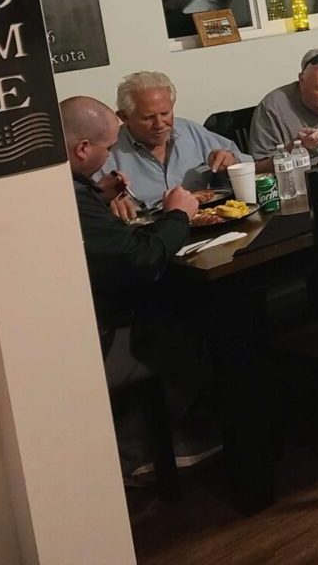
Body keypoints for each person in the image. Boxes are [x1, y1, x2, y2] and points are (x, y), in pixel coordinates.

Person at [63, 96, 209, 476]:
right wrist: (178, 212)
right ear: (82, 149)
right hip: (98, 337)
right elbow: (142, 261)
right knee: (199, 329)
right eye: (108, 148)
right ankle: (137, 454)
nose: (111, 154)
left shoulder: (69, 187)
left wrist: (102, 194)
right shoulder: (69, 199)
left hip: (99, 314)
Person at [102, 70, 252, 209]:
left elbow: (249, 164)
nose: (159, 124)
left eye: (165, 113)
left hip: (208, 219)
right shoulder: (109, 152)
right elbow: (90, 202)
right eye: (148, 118)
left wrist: (232, 161)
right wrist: (106, 201)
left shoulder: (189, 131)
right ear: (124, 117)